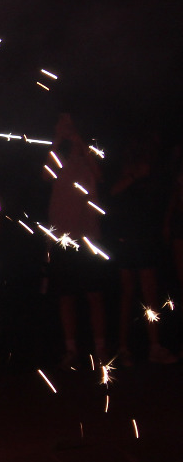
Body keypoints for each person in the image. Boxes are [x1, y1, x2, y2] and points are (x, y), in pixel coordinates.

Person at [106, 135, 177, 364]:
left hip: (145, 238)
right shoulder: (127, 171)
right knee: (127, 294)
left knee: (149, 293)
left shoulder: (155, 174)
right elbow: (112, 192)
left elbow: (163, 199)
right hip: (127, 239)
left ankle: (153, 346)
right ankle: (123, 347)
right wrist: (135, 175)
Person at [44, 115, 109, 366]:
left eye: (69, 124)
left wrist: (80, 143)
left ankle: (100, 348)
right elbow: (45, 175)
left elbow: (100, 175)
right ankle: (71, 349)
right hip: (62, 235)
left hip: (88, 234)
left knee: (94, 294)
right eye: (61, 124)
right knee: (66, 295)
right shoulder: (57, 155)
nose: (65, 128)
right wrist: (57, 141)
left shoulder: (88, 152)